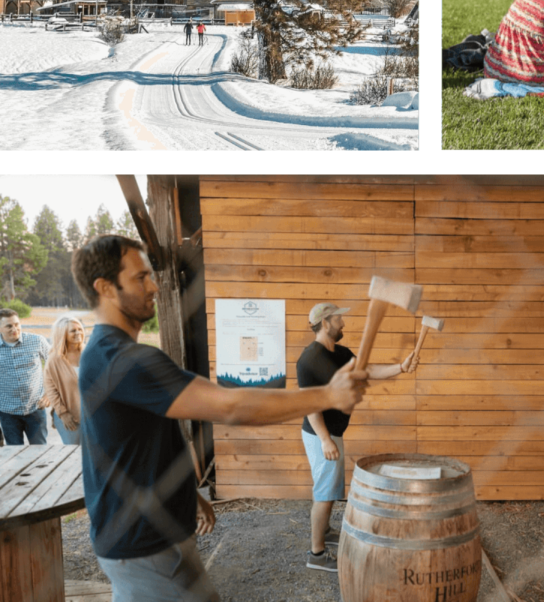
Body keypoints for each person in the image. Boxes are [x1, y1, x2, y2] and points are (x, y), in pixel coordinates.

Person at [71, 235, 368, 602]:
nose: (155, 285)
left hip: (150, 538)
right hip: (143, 545)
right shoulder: (123, 360)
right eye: (140, 278)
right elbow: (229, 406)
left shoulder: (110, 354)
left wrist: (189, 495)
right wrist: (328, 394)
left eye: (151, 275)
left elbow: (148, 437)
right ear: (105, 288)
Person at [298, 302, 419, 572]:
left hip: (332, 433)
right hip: (321, 435)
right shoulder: (309, 360)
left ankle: (326, 532)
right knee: (324, 493)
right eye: (339, 318)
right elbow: (310, 405)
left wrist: (401, 366)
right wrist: (326, 440)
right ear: (326, 322)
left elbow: (368, 370)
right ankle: (316, 554)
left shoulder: (340, 353)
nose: (343, 322)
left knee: (329, 489)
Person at [0, 308, 51, 445]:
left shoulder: (37, 341)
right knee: (16, 456)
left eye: (17, 324)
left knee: (41, 454)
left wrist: (48, 394)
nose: (14, 328)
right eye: (9, 326)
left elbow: (55, 365)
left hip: (35, 409)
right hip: (7, 414)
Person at [44, 315, 86, 445]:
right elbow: (51, 390)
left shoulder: (89, 353)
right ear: (63, 334)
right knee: (73, 454)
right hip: (70, 416)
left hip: (93, 416)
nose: (78, 332)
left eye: (80, 329)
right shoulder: (54, 360)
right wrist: (63, 414)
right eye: (73, 330)